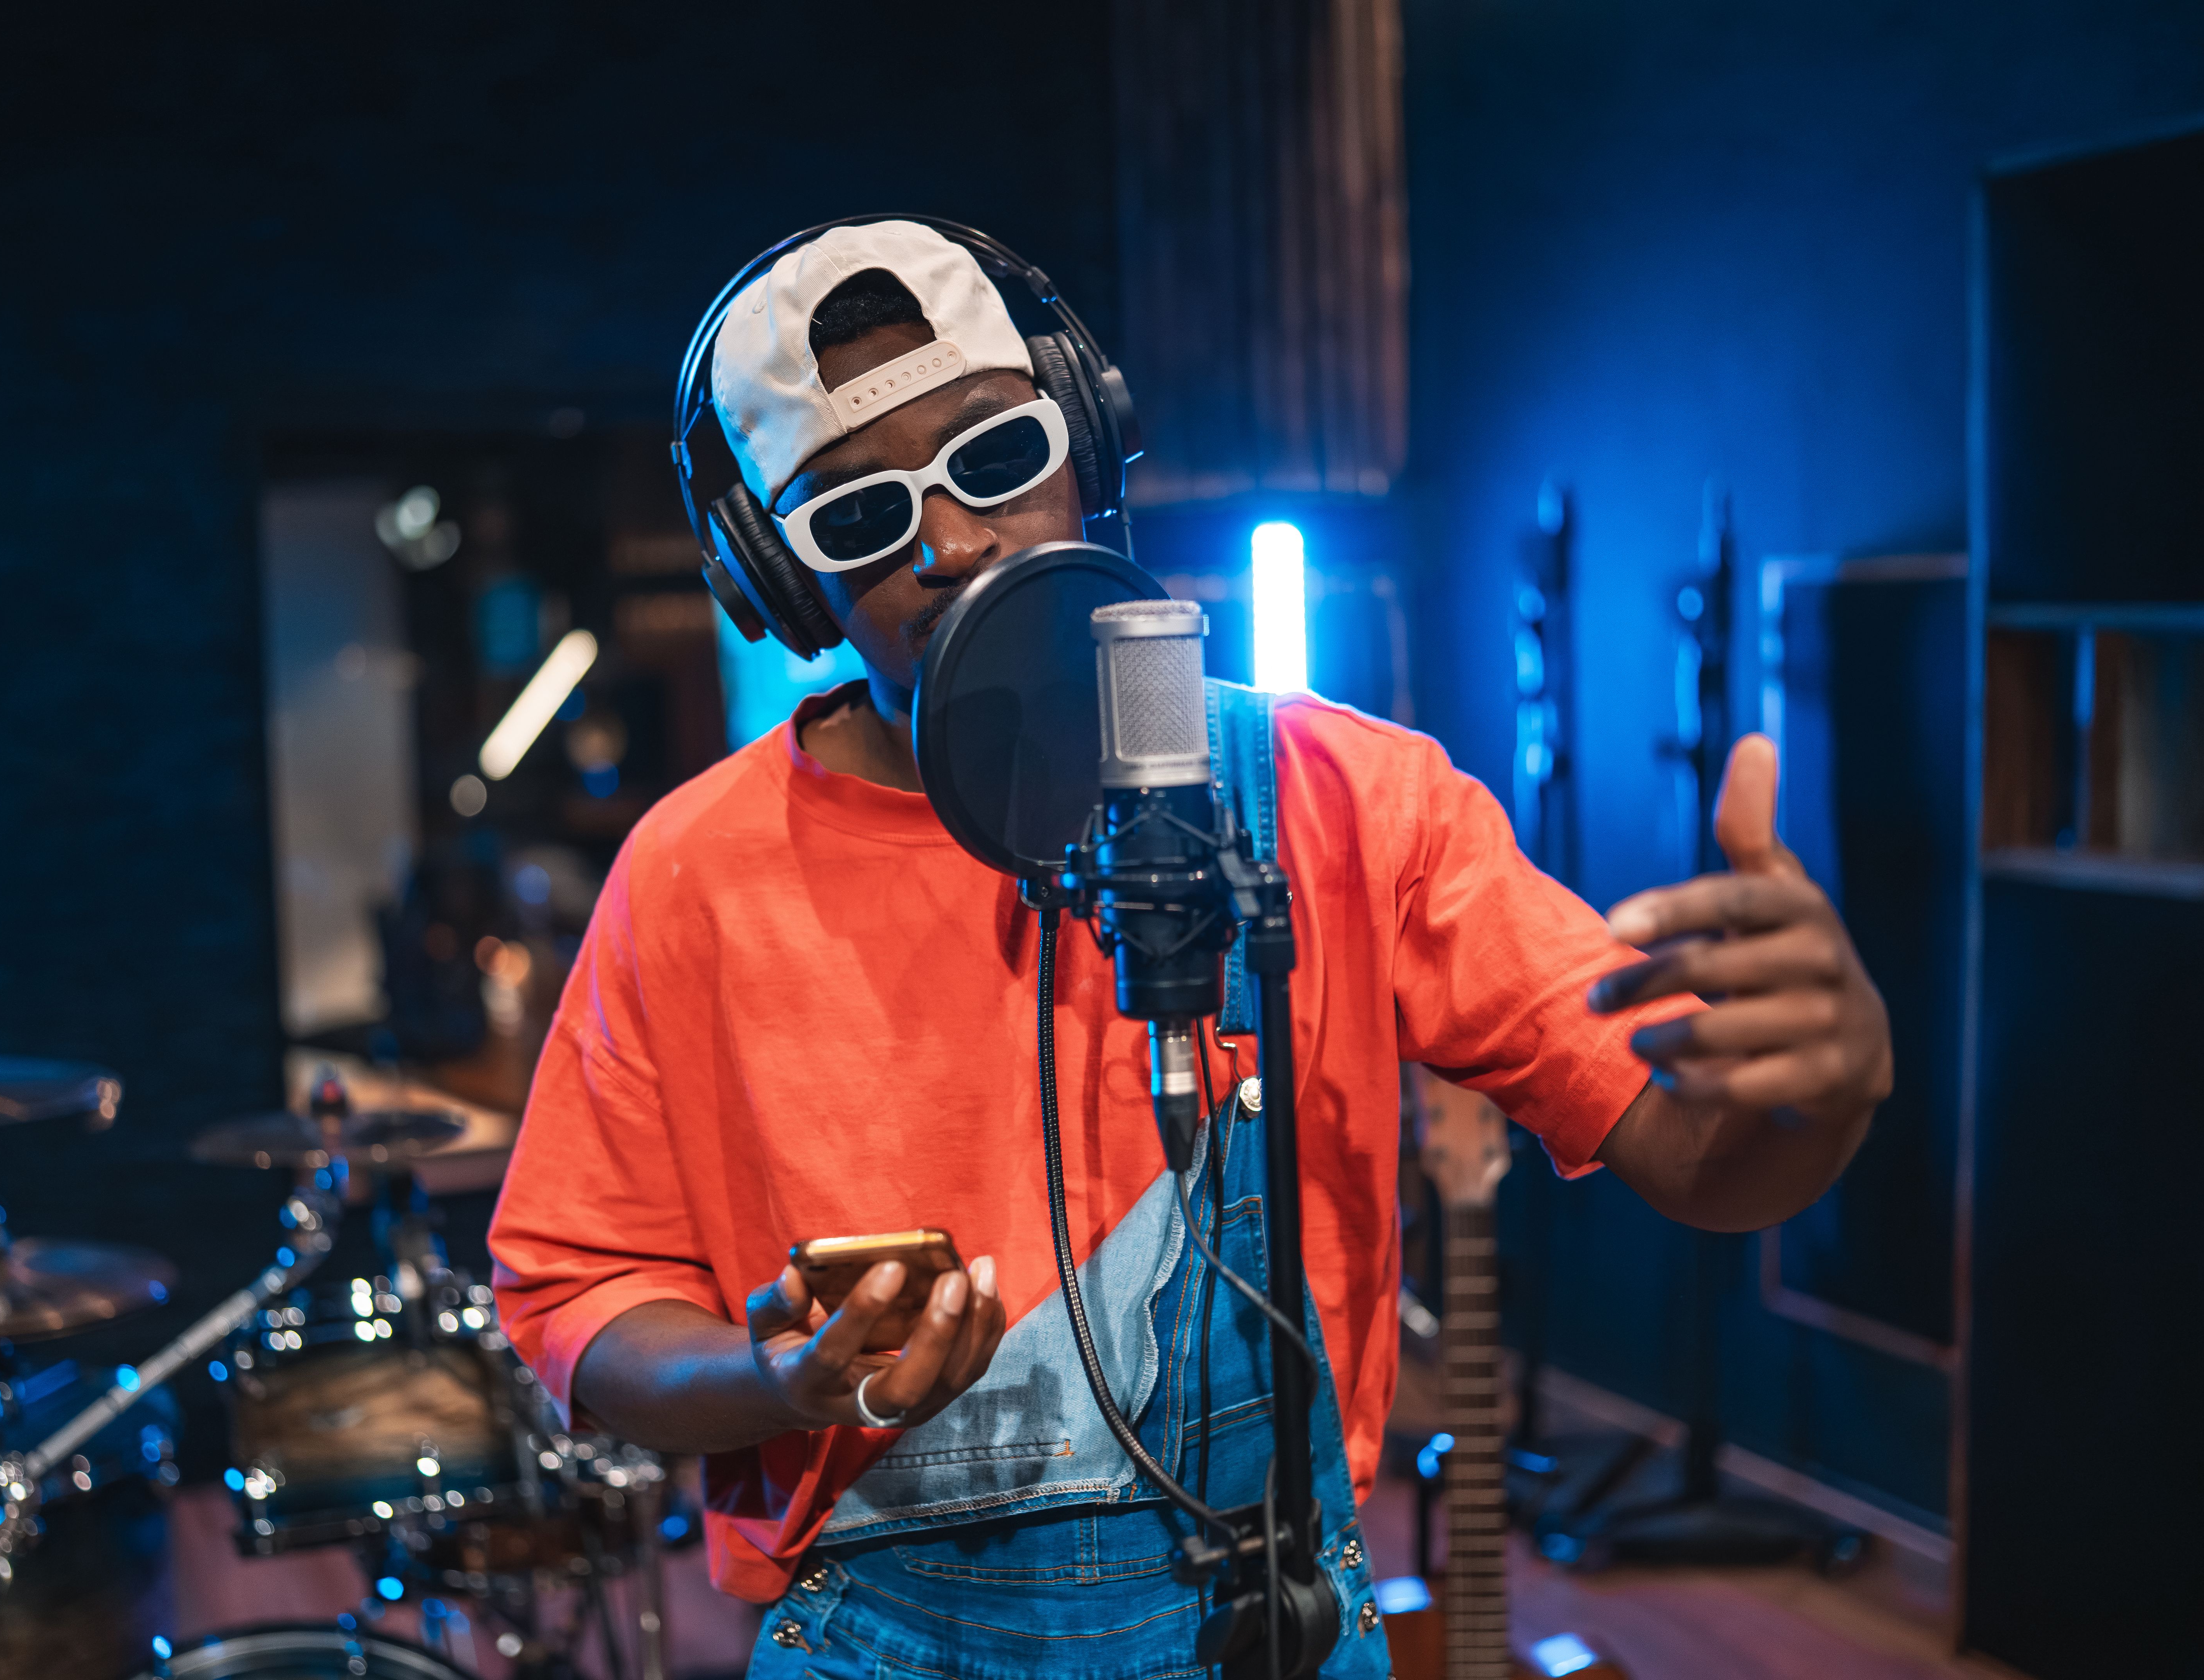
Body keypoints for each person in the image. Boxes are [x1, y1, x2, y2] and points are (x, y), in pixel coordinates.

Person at [489, 221, 1891, 1678]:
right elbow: (578, 1304)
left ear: (1085, 447)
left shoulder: (1347, 799)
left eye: (993, 461)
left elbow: (1703, 1163)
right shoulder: (694, 873)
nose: (952, 543)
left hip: (1269, 1623)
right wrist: (772, 1380)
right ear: (786, 583)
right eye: (858, 520)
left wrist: (1816, 1088)